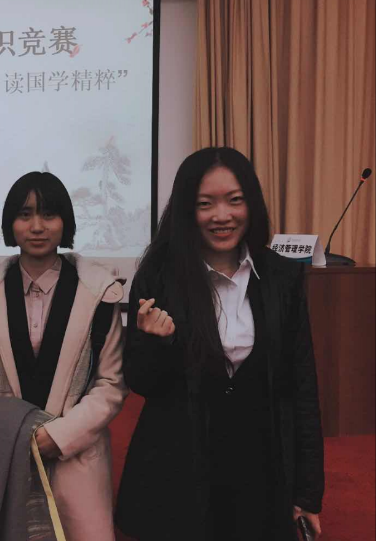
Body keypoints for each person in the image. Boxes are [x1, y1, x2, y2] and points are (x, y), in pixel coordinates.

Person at [114, 147, 324, 541]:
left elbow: (302, 388)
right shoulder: (158, 276)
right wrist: (157, 343)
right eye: (205, 204)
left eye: (234, 200)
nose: (221, 216)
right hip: (178, 474)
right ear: (186, 210)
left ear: (252, 204)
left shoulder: (282, 277)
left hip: (261, 471)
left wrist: (308, 493)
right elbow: (141, 382)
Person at [0, 172, 129, 541]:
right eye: (24, 214)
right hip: (2, 455)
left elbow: (111, 383)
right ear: (10, 223)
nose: (36, 226)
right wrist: (19, 432)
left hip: (75, 456)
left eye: (48, 214)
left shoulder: (98, 292)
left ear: (66, 221)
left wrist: (59, 435)